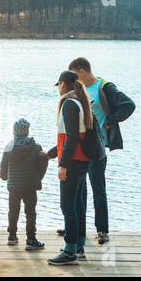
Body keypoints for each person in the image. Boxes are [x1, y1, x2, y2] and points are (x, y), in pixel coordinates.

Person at [56, 58, 136, 244]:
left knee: (98, 188)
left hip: (96, 148)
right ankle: (75, 228)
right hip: (80, 149)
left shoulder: (104, 87)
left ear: (82, 71)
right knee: (77, 190)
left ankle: (102, 230)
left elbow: (129, 105)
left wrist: (110, 120)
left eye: (75, 76)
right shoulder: (78, 92)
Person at [46, 71, 93, 265]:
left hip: (73, 162)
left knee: (67, 206)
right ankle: (79, 245)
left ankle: (70, 250)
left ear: (63, 84)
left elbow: (72, 138)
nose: (58, 88)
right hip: (83, 160)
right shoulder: (81, 101)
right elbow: (71, 137)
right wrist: (50, 154)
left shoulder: (68, 104)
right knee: (78, 204)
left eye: (58, 85)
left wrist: (63, 164)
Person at [0, 118, 48, 250]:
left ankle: (12, 236)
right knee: (31, 212)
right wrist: (39, 177)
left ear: (14, 132)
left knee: (13, 211)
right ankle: (31, 240)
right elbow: (43, 160)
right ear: (27, 132)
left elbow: (3, 169)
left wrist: (5, 177)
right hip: (30, 186)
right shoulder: (36, 147)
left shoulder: (9, 147)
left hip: (14, 186)